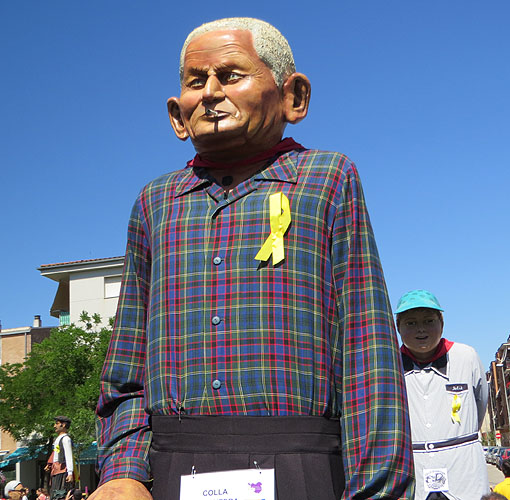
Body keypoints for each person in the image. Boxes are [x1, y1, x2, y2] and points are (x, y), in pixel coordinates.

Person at [91, 16, 412, 500]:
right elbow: (128, 360)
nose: (210, 92)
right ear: (177, 115)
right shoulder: (156, 203)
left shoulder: (327, 179)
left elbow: (368, 351)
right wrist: (123, 472)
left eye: (231, 75)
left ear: (293, 97)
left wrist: (378, 491)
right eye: (195, 81)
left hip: (303, 466)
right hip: (175, 466)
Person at [396, 289, 488, 500]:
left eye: (429, 321)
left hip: (463, 468)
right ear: (398, 327)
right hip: (413, 468)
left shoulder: (466, 357)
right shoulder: (391, 364)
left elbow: (481, 403)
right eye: (411, 323)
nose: (421, 329)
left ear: (442, 323)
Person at [45, 416, 74, 500]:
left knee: (60, 494)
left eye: (57, 423)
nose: (55, 426)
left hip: (62, 470)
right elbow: (55, 453)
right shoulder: (58, 439)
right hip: (56, 470)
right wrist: (50, 464)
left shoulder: (66, 439)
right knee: (54, 494)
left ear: (63, 425)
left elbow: (69, 456)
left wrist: (70, 473)